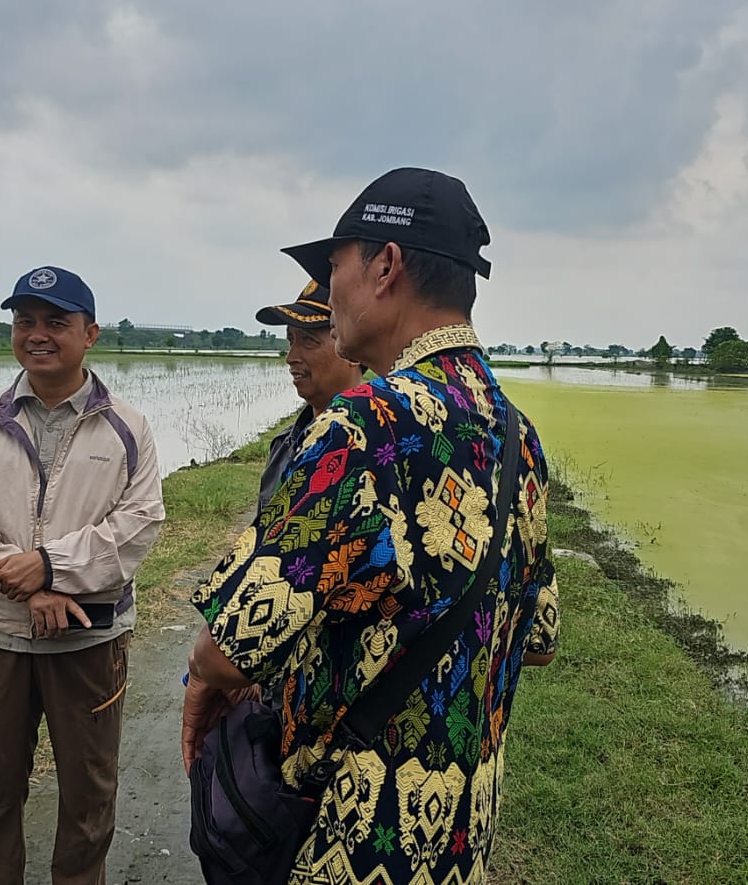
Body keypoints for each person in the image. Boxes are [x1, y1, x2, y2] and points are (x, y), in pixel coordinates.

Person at [182, 168, 560, 883]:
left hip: (347, 846)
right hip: (458, 844)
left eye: (334, 269)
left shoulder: (362, 426)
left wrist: (211, 674)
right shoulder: (518, 437)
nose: (331, 295)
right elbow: (535, 644)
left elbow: (226, 652)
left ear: (384, 266)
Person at [0, 265, 165, 885]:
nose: (38, 334)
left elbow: (138, 524)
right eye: (25, 321)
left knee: (87, 799)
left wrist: (56, 568)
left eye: (56, 322)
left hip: (88, 638)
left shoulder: (127, 427)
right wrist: (30, 582)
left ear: (90, 333)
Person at [253, 279, 365, 513]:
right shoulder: (285, 444)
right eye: (291, 340)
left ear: (353, 351)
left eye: (308, 341)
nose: (291, 357)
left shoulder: (378, 446)